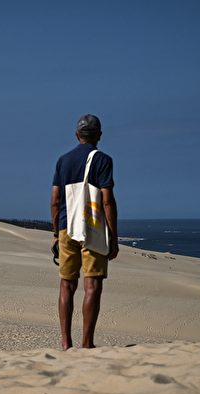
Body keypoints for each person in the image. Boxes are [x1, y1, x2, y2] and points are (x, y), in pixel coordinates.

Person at [51, 114, 119, 350]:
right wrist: (114, 236)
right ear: (99, 135)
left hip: (65, 227)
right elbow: (107, 201)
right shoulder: (103, 160)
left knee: (66, 285)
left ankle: (65, 343)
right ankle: (87, 343)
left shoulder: (63, 160)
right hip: (92, 228)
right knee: (92, 286)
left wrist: (55, 233)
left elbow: (55, 199)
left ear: (77, 135)